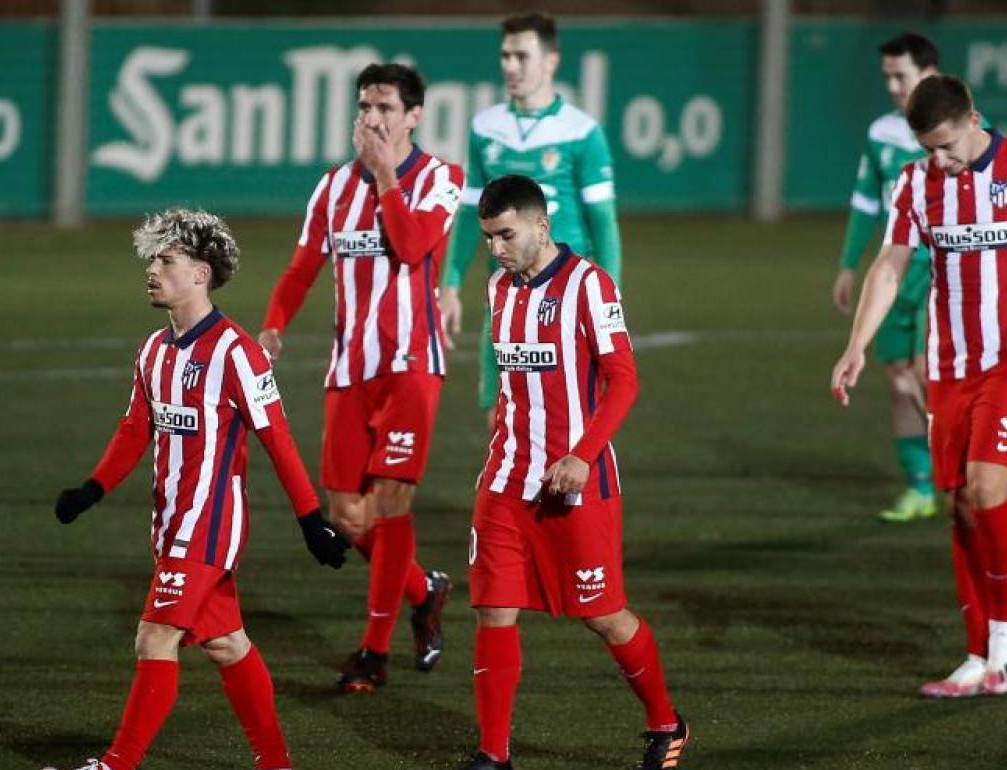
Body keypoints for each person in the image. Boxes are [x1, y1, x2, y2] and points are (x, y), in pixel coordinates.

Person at [46, 209, 350, 770]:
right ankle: (276, 764)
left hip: (208, 525)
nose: (152, 270)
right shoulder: (153, 350)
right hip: (170, 524)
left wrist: (311, 520)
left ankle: (117, 763)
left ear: (200, 274)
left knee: (154, 638)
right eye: (152, 260)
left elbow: (277, 438)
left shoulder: (237, 352)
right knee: (227, 643)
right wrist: (92, 488)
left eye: (167, 260)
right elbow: (135, 428)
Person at [831, 75, 1007, 698]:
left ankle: (1006, 645)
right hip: (949, 366)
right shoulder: (914, 184)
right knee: (958, 503)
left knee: (986, 489)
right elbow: (889, 266)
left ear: (974, 119)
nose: (940, 161)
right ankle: (976, 656)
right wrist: (857, 345)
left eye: (948, 147)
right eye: (929, 149)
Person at [458, 175, 687, 770]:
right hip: (506, 480)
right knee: (493, 609)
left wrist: (582, 455)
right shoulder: (497, 288)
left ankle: (666, 722)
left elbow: (624, 380)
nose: (496, 249)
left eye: (506, 235)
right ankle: (493, 755)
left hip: (579, 487)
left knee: (603, 615)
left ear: (542, 226)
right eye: (488, 238)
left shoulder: (589, 285)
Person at [259, 63, 463, 691]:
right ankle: (424, 590)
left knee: (392, 503)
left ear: (413, 116)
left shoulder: (442, 179)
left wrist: (384, 177)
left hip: (411, 367)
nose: (371, 118)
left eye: (385, 108)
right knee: (348, 518)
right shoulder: (331, 188)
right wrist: (273, 327)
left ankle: (373, 652)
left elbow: (410, 246)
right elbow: (302, 268)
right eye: (364, 106)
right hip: (349, 369)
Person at [440, 11, 622, 431]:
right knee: (501, 418)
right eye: (505, 56)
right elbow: (470, 212)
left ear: (551, 61)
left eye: (522, 56)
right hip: (506, 297)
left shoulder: (581, 132)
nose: (510, 66)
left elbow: (603, 223)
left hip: (567, 298)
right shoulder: (486, 128)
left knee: (569, 422)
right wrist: (449, 284)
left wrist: (609, 299)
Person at [832, 32, 942, 523]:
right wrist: (848, 264)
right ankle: (920, 486)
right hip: (895, 269)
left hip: (941, 270)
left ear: (929, 74)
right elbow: (865, 202)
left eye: (902, 76)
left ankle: (961, 465)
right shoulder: (881, 132)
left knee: (923, 373)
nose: (894, 86)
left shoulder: (958, 127)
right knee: (898, 379)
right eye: (888, 77)